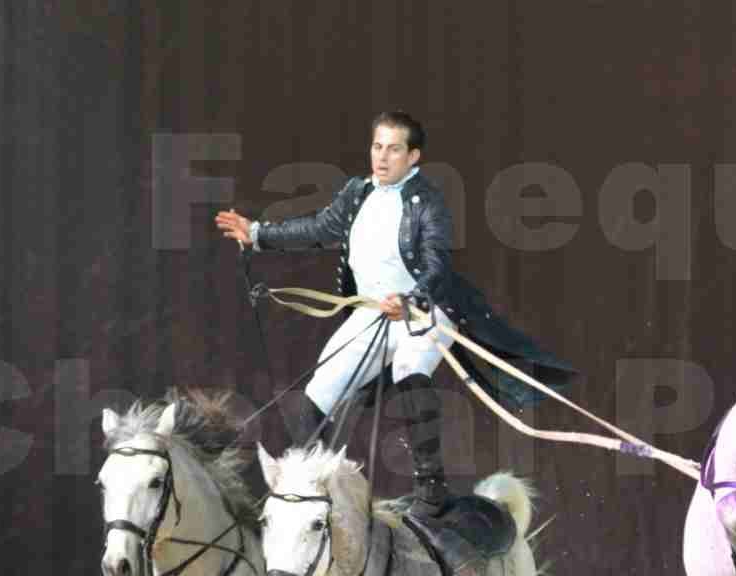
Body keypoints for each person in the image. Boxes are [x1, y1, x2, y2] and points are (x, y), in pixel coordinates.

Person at [216, 111, 575, 521]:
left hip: (424, 311)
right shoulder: (357, 192)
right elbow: (318, 228)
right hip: (372, 313)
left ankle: (431, 490)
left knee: (409, 370)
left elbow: (437, 263)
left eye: (393, 149)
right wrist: (259, 233)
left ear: (413, 156)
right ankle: (319, 490)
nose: (382, 157)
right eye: (377, 146)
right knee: (317, 395)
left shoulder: (428, 201)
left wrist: (411, 298)